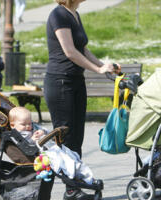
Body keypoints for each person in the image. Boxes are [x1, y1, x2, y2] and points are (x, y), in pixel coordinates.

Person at [45, 0, 115, 198]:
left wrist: (105, 67)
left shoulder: (74, 14)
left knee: (77, 138)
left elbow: (82, 49)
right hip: (60, 82)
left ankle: (75, 185)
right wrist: (97, 69)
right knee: (66, 137)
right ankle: (71, 189)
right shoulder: (58, 14)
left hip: (76, 81)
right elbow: (69, 51)